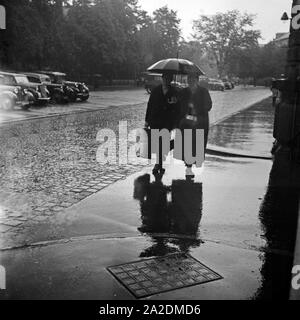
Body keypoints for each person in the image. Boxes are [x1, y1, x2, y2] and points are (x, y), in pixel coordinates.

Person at [145, 72, 180, 175]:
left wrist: (174, 104)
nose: (166, 80)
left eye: (168, 78)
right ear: (162, 78)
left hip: (167, 122)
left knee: (162, 143)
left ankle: (157, 164)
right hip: (155, 120)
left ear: (171, 80)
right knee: (158, 144)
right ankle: (159, 164)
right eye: (165, 78)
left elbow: (178, 108)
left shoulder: (174, 92)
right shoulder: (156, 90)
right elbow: (150, 105)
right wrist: (147, 120)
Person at [178, 73, 212, 177]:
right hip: (188, 123)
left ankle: (193, 163)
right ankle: (188, 167)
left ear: (197, 80)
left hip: (200, 123)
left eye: (192, 79)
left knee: (197, 146)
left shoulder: (203, 91)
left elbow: (208, 105)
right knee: (187, 145)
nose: (190, 81)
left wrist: (196, 109)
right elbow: (179, 106)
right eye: (189, 79)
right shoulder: (183, 92)